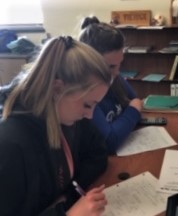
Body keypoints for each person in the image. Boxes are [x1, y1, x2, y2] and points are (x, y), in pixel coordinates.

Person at [0, 36, 112, 216]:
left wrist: (69, 197)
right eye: (87, 105)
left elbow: (98, 153)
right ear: (57, 89)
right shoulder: (9, 146)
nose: (90, 115)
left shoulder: (67, 117)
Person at [79, 16, 143, 155]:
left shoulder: (114, 77)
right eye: (111, 66)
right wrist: (132, 112)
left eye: (120, 64)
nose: (117, 72)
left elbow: (135, 99)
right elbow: (110, 141)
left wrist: (119, 125)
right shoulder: (84, 95)